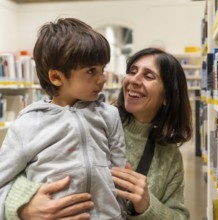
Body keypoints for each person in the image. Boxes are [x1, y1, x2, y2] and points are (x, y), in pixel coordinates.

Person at [5, 47, 193, 219]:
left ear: (168, 96)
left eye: (149, 76)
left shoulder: (169, 156)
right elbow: (10, 176)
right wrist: (23, 206)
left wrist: (147, 206)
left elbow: (180, 216)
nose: (134, 80)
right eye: (133, 71)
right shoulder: (93, 123)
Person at [0, 18, 127, 220]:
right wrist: (21, 210)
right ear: (57, 77)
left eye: (102, 69)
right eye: (91, 71)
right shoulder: (28, 124)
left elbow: (119, 171)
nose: (102, 78)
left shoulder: (109, 115)